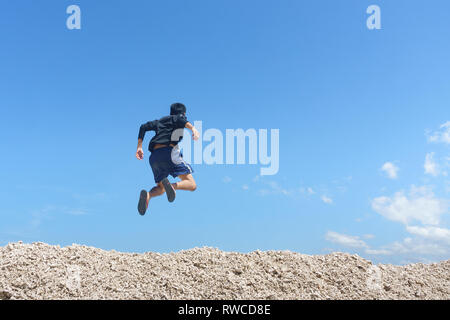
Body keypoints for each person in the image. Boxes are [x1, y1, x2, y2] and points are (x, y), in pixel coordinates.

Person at [135, 103, 199, 215]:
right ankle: (173, 186)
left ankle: (148, 196)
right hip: (169, 152)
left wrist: (139, 147)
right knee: (192, 185)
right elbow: (181, 120)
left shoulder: (159, 121)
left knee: (161, 188)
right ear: (183, 114)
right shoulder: (178, 118)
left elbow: (143, 127)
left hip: (154, 157)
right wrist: (193, 128)